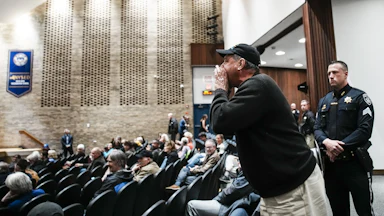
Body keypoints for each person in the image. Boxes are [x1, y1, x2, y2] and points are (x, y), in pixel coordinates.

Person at [210, 43, 328, 215]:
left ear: (240, 64)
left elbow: (219, 121)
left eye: (225, 61)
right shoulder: (252, 88)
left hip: (293, 191)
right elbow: (227, 126)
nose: (221, 68)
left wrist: (220, 89)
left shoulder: (258, 85)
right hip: (278, 191)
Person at [314, 60, 375, 216]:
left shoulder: (360, 97)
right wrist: (327, 142)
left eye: (335, 72)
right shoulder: (324, 101)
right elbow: (317, 128)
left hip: (355, 164)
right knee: (338, 211)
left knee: (364, 210)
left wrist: (337, 148)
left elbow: (364, 130)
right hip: (332, 167)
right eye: (329, 73)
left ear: (345, 74)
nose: (331, 76)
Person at [186, 170, 259, 216]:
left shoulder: (253, 169)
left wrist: (216, 199)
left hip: (235, 205)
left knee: (191, 205)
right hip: (236, 202)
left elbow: (232, 192)